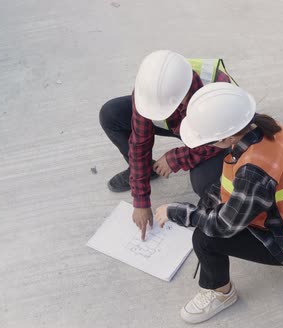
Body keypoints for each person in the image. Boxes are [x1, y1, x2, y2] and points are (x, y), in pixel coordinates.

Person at [155, 83, 283, 324]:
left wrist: (176, 211)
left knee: (205, 238)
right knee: (208, 196)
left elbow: (223, 226)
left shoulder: (254, 171)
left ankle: (221, 293)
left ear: (228, 137)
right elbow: (231, 186)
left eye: (209, 141)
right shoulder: (268, 127)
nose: (206, 146)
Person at [99, 50, 237, 239]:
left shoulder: (216, 90)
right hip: (181, 125)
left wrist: (176, 158)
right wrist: (141, 200)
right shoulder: (151, 89)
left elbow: (224, 139)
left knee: (205, 184)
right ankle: (146, 171)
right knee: (110, 115)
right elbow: (139, 144)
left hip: (210, 134)